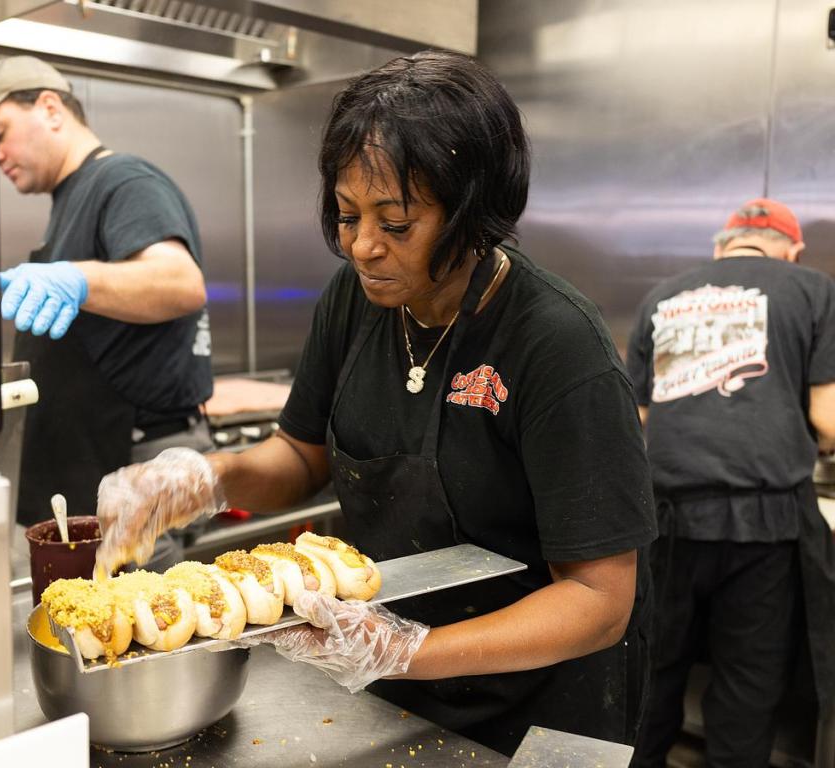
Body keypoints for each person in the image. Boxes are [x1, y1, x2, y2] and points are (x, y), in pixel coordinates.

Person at [95, 50, 657, 757]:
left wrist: (408, 650)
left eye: (395, 224)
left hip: (544, 709)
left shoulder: (556, 346)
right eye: (346, 214)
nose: (362, 246)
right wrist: (212, 477)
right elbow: (300, 456)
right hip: (398, 694)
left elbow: (601, 602)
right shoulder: (355, 303)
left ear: (475, 213)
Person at [0, 56, 214, 569]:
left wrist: (77, 278)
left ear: (50, 108)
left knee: (153, 631)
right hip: (87, 465)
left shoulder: (124, 180)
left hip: (129, 474)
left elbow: (181, 282)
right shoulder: (71, 198)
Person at [625, 198, 835, 767]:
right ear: (791, 251)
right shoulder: (811, 288)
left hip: (665, 517)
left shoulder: (660, 296)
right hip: (764, 526)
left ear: (722, 246)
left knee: (654, 674)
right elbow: (828, 418)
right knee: (747, 685)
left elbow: (637, 421)